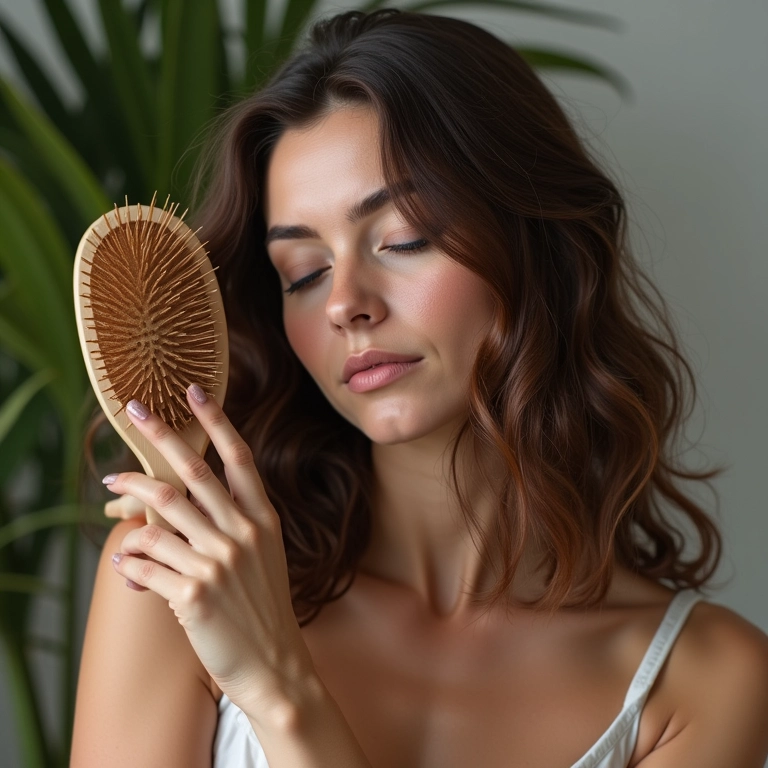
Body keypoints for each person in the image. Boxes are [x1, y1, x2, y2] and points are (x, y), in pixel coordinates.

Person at [70, 9, 768, 767]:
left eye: (403, 238)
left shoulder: (703, 682)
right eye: (303, 273)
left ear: (535, 245)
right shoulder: (179, 583)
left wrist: (280, 688)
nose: (344, 304)